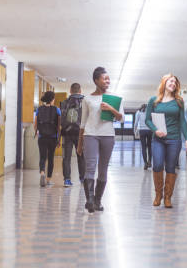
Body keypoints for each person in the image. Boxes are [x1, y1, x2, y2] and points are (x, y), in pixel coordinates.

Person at [77, 67, 123, 214]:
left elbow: (121, 118)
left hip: (108, 136)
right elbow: (83, 123)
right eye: (105, 78)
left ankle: (97, 201)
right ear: (96, 80)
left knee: (103, 169)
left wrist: (111, 108)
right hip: (90, 135)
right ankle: (89, 200)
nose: (108, 81)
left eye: (109, 78)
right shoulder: (87, 99)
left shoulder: (115, 98)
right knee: (90, 167)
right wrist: (79, 143)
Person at [145, 74, 187, 208]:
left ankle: (167, 197)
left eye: (175, 82)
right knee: (158, 164)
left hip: (174, 139)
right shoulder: (154, 101)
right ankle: (158, 194)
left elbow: (182, 121)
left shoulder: (179, 101)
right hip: (158, 139)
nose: (173, 84)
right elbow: (147, 119)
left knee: (171, 167)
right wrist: (155, 130)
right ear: (164, 82)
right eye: (171, 81)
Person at [34, 90, 61, 187]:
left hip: (42, 137)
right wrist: (58, 138)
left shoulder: (39, 109)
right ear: (52, 99)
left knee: (42, 157)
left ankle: (42, 173)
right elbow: (59, 126)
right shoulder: (57, 109)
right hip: (52, 137)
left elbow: (35, 123)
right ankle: (48, 179)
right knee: (50, 158)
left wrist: (37, 132)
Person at [60, 83, 85, 187]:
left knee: (66, 157)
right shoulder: (85, 102)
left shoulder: (65, 102)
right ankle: (83, 179)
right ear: (80, 91)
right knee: (81, 156)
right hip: (81, 133)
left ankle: (67, 180)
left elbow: (61, 119)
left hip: (67, 133)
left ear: (70, 90)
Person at [134, 104, 152, 170]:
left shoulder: (138, 112)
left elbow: (136, 123)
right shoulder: (150, 112)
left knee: (143, 147)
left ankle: (145, 163)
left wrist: (134, 130)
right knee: (150, 146)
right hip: (150, 130)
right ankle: (150, 161)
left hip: (142, 131)